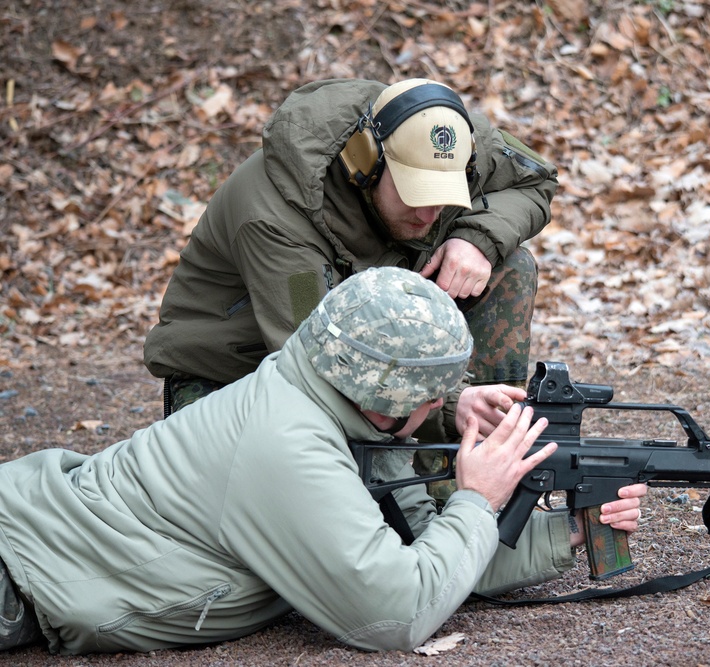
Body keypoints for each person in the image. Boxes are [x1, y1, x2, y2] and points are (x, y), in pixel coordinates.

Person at [0, 267, 647, 655]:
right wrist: (478, 499)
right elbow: (396, 611)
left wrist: (569, 531)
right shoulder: (288, 442)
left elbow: (438, 556)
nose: (442, 407)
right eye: (433, 396)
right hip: (20, 567)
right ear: (387, 396)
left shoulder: (327, 393)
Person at [144, 77, 558, 440]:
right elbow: (313, 362)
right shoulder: (276, 221)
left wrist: (477, 238)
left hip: (376, 332)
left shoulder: (441, 134)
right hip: (241, 373)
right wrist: (448, 404)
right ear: (366, 164)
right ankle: (438, 432)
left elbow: (536, 180)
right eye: (416, 195)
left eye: (443, 197)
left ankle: (474, 451)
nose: (430, 217)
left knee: (509, 265)